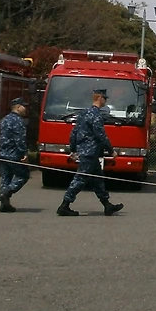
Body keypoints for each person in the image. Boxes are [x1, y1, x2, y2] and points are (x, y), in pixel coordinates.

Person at [58, 88, 122, 217]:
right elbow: (100, 135)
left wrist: (73, 149)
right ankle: (64, 205)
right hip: (90, 153)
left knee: (97, 179)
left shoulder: (84, 113)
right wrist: (111, 150)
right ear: (100, 98)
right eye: (105, 98)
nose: (106, 101)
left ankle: (107, 205)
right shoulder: (96, 115)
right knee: (80, 179)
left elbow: (74, 132)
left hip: (87, 152)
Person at [0, 98, 30, 212]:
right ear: (18, 107)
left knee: (6, 177)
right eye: (24, 106)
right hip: (14, 154)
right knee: (23, 176)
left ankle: (4, 204)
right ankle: (6, 193)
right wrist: (24, 153)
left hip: (3, 153)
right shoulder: (18, 121)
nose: (26, 109)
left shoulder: (4, 119)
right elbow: (19, 139)